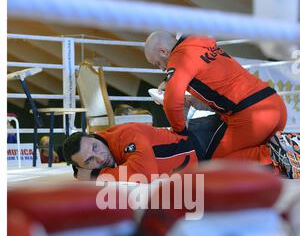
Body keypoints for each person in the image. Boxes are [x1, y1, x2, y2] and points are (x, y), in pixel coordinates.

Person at [144, 31, 292, 170]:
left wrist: (181, 133)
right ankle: (282, 154)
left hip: (252, 116)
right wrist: (191, 100)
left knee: (217, 167)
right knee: (241, 161)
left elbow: (172, 104)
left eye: (158, 63)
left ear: (163, 51)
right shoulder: (200, 45)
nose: (162, 69)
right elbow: (225, 94)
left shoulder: (180, 57)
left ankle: (279, 157)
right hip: (274, 105)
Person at [63, 120, 237, 182]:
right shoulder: (108, 149)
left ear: (95, 136)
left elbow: (143, 175)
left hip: (204, 142)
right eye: (89, 161)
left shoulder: (126, 135)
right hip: (200, 159)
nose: (99, 158)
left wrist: (96, 175)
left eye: (95, 147)